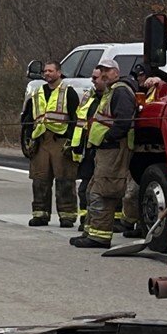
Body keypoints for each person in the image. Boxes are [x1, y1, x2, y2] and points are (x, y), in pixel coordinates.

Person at [71, 58, 138, 248]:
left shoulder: (121, 91)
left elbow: (123, 121)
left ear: (117, 72)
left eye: (108, 70)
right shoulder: (111, 92)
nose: (104, 73)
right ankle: (91, 233)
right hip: (104, 150)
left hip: (113, 149)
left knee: (103, 192)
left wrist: (109, 137)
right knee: (94, 190)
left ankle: (99, 237)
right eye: (102, 70)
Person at [20, 61, 80, 227]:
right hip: (40, 142)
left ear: (59, 73)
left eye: (50, 71)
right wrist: (27, 141)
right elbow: (27, 119)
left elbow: (77, 119)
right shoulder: (37, 93)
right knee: (40, 180)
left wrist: (72, 141)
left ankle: (67, 216)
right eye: (45, 71)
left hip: (60, 141)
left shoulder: (68, 92)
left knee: (65, 180)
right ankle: (40, 215)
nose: (47, 74)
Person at [69, 69, 104, 231]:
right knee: (84, 189)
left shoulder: (111, 97)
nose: (93, 80)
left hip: (103, 149)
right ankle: (85, 219)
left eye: (96, 77)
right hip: (87, 149)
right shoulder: (89, 96)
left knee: (102, 189)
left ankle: (110, 221)